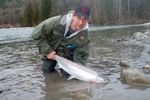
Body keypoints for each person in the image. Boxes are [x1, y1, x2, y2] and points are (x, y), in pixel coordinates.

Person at [31, 4, 91, 75]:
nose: (80, 22)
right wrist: (47, 51)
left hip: (67, 58)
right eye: (78, 17)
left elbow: (81, 57)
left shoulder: (85, 37)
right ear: (73, 15)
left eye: (84, 19)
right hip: (50, 52)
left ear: (88, 20)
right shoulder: (56, 22)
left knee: (67, 74)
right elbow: (36, 34)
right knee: (46, 70)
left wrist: (82, 73)